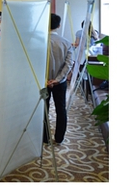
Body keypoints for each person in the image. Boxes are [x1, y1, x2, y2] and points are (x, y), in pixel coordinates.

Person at [44, 13, 74, 145]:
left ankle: (44, 137)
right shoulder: (66, 43)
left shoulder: (40, 42)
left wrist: (46, 79)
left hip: (43, 83)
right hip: (60, 83)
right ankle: (59, 137)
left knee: (43, 109)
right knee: (61, 109)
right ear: (59, 25)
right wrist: (58, 79)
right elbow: (69, 64)